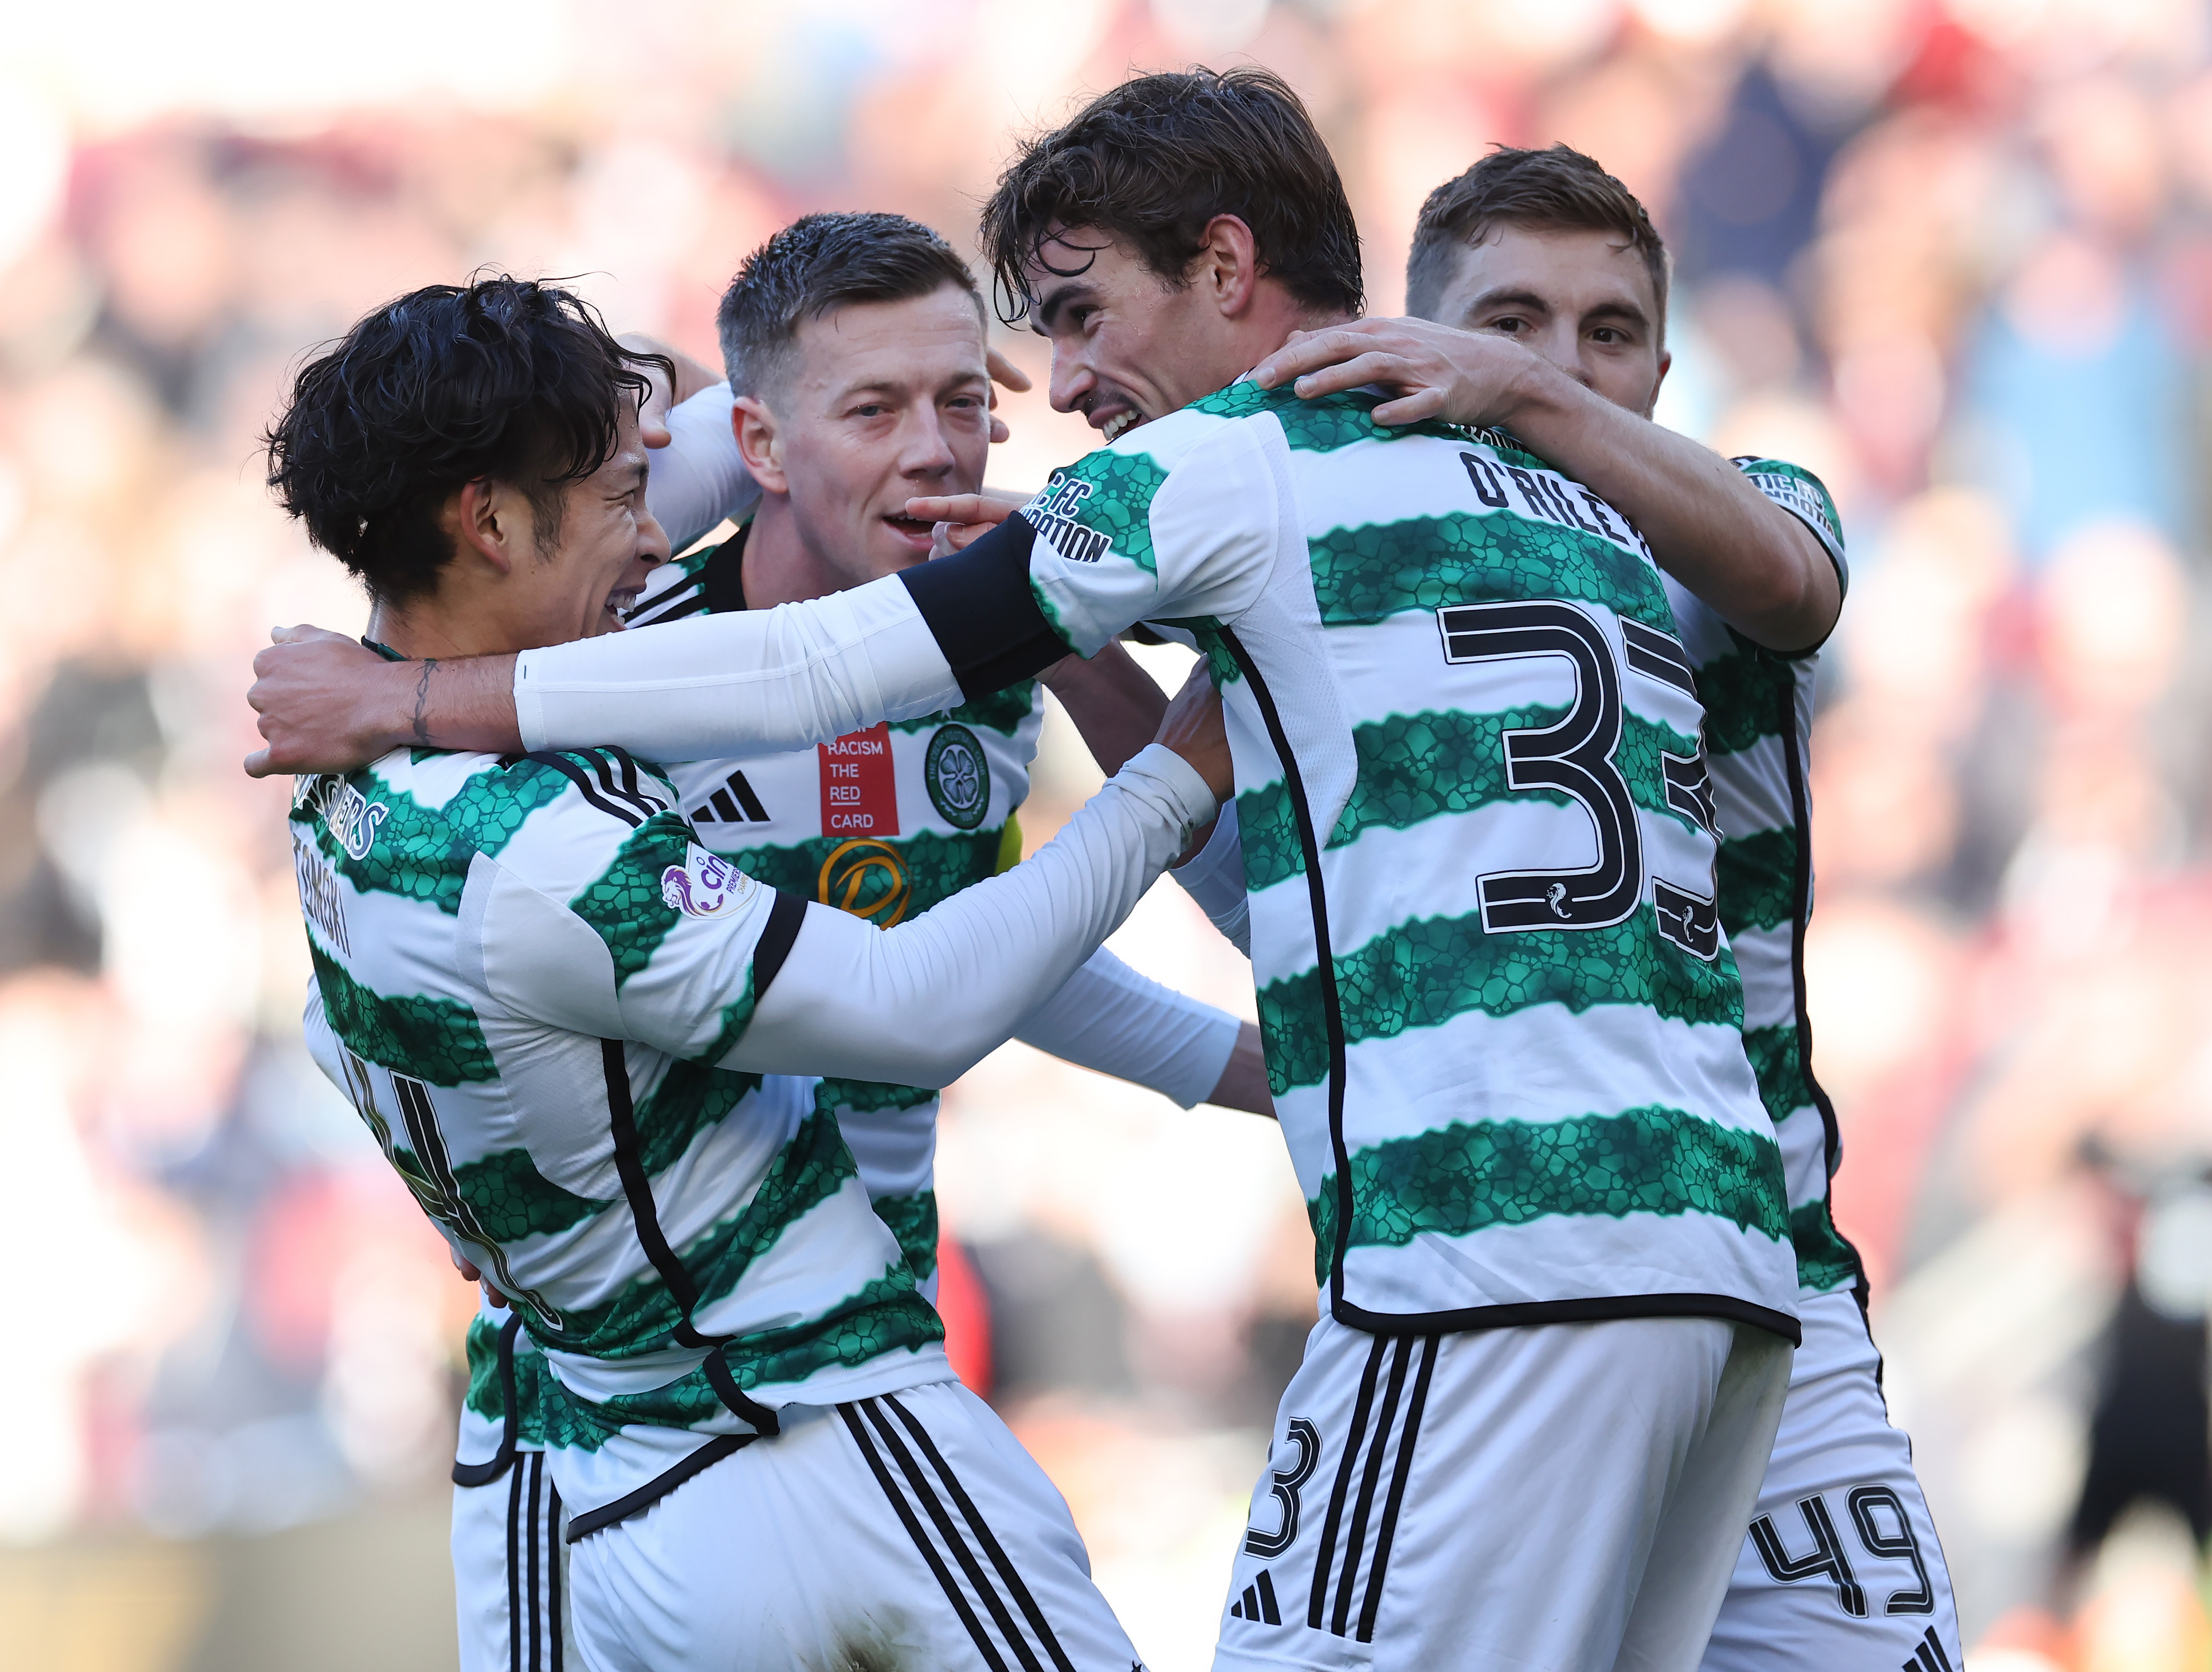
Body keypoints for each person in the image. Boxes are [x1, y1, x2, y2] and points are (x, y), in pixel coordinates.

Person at [246, 70, 1799, 1672]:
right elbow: (836, 776)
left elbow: (981, 936)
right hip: (666, 1395)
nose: (1034, 400)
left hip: (1332, 1276)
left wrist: (410, 701)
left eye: (988, 380)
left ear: (1222, 266)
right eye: (882, 406)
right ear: (757, 445)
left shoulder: (1047, 614)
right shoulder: (1571, 495)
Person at [269, 274, 1234, 1670]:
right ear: (486, 523)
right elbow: (910, 999)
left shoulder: (356, 754)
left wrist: (856, 381)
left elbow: (947, 913)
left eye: (960, 403)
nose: (656, 530)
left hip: (575, 1428)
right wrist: (1167, 785)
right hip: (795, 1412)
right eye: (621, 499)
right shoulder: (544, 847)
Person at [1246, 142, 1964, 1671]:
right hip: (1521, 1271)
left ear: (1662, 370)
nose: (1561, 361)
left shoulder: (1739, 511)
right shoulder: (1376, 581)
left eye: (1609, 331)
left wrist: (1516, 393)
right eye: (1508, 322)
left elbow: (1794, 587)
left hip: (1776, 1272)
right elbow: (1282, 897)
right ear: (1421, 341)